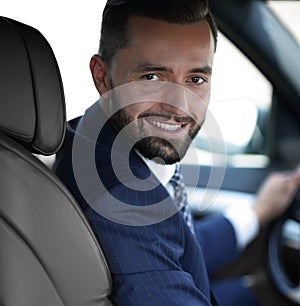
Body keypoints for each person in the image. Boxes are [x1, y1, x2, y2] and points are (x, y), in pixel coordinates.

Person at [54, 0, 300, 305]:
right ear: (103, 77)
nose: (179, 108)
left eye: (196, 80)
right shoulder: (123, 202)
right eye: (152, 77)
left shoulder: (89, 136)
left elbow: (174, 245)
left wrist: (256, 213)